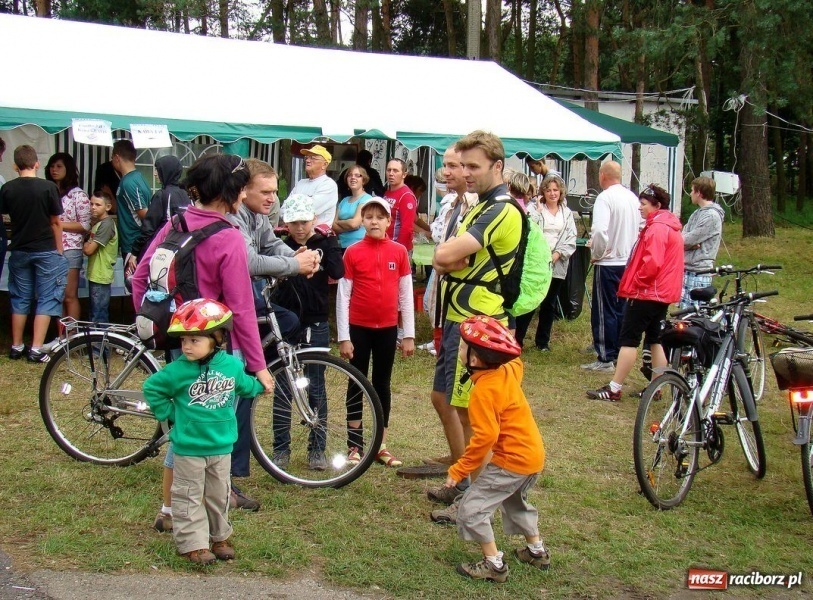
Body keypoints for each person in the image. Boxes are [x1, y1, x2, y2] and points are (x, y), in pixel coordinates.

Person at [132, 154, 273, 532]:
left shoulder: (176, 222)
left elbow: (140, 278)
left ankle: (171, 508)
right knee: (200, 426)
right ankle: (181, 510)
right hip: (211, 345)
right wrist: (258, 366)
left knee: (187, 422)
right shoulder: (227, 237)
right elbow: (241, 309)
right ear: (236, 192)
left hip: (180, 341)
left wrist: (160, 321)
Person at [429, 131, 522, 517]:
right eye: (462, 165)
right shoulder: (477, 205)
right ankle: (462, 480)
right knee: (443, 399)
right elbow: (443, 258)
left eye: (474, 166)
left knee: (472, 415)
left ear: (497, 166)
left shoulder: (501, 208)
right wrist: (449, 259)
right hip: (458, 320)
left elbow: (445, 253)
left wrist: (449, 258)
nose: (466, 173)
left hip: (478, 323)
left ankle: (474, 501)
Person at [143, 299, 265, 565]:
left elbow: (244, 385)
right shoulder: (177, 371)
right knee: (188, 495)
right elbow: (152, 388)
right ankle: (193, 543)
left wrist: (261, 385)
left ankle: (219, 536)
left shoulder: (231, 365)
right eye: (184, 340)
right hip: (189, 448)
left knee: (218, 495)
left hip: (221, 447)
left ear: (217, 339)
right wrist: (170, 414)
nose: (186, 346)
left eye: (195, 340)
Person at [228, 161, 320, 487]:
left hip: (245, 299)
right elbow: (249, 261)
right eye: (265, 191)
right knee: (235, 385)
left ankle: (234, 466)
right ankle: (229, 468)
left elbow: (270, 244)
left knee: (288, 321)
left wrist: (302, 255)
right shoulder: (233, 216)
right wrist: (293, 265)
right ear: (244, 190)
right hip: (226, 307)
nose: (271, 198)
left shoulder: (257, 215)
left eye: (274, 191)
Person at [445, 315, 549, 583]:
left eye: (462, 347)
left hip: (511, 461)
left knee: (472, 508)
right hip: (533, 457)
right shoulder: (507, 370)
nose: (459, 350)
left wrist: (460, 469)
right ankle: (536, 551)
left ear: (475, 360)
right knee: (515, 502)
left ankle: (494, 564)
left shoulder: (483, 392)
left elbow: (484, 439)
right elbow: (516, 360)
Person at [337, 197, 415, 467]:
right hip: (359, 328)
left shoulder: (399, 252)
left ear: (388, 221)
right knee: (356, 382)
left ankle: (380, 444)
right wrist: (344, 336)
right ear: (363, 221)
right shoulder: (353, 252)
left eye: (380, 217)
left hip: (387, 330)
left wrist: (408, 334)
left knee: (382, 383)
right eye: (368, 216)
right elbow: (343, 296)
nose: (374, 221)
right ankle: (354, 444)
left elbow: (406, 295)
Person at [587, 184, 683, 401]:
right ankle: (656, 388)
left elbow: (652, 263)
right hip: (660, 294)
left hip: (647, 294)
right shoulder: (668, 226)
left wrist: (637, 283)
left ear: (657, 205)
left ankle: (614, 388)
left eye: (643, 204)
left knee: (629, 340)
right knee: (655, 339)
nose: (639, 208)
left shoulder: (657, 228)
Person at [274, 194, 344, 470]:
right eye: (293, 223)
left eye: (304, 222)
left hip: (315, 321)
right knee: (283, 386)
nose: (300, 228)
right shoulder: (281, 245)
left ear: (313, 220)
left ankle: (317, 447)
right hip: (286, 320)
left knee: (316, 383)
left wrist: (327, 247)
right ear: (286, 224)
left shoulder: (325, 241)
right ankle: (281, 448)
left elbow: (339, 271)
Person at [423, 146, 478, 476]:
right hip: (448, 306)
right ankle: (458, 458)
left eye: (455, 166)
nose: (448, 172)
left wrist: (441, 260)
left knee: (460, 402)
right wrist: (441, 260)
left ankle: (465, 474)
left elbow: (454, 258)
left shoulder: (475, 207)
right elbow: (440, 254)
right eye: (445, 165)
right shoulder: (450, 203)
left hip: (467, 310)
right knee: (440, 396)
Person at [0, 145, 68, 363]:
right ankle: (36, 349)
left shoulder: (8, 188)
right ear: (37, 163)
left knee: (20, 297)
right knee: (47, 297)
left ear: (15, 165)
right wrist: (60, 250)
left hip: (19, 248)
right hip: (46, 249)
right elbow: (56, 222)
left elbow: (6, 216)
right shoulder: (48, 188)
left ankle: (17, 345)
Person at [582, 160, 640, 372]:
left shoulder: (605, 198)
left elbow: (599, 231)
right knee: (622, 308)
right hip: (628, 261)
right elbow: (642, 226)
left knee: (604, 308)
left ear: (603, 176)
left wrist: (596, 253)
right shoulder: (632, 197)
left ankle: (605, 355)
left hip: (608, 261)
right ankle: (618, 348)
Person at [515, 174, 577, 350]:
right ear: (543, 191)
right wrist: (539, 212)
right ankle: (517, 339)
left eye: (555, 190)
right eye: (548, 190)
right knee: (531, 301)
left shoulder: (567, 213)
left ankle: (542, 342)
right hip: (537, 262)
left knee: (549, 304)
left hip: (556, 263)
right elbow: (528, 230)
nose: (552, 193)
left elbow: (571, 236)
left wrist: (557, 254)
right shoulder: (534, 209)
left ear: (561, 192)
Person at [45, 152, 91, 323]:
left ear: (68, 169)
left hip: (70, 248)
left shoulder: (78, 195)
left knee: (69, 295)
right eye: (52, 166)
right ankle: (60, 337)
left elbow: (85, 225)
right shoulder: (47, 190)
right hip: (49, 247)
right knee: (56, 294)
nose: (54, 170)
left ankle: (71, 337)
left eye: (59, 166)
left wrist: (58, 225)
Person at [130, 155, 190, 263]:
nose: (154, 174)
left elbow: (148, 228)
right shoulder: (186, 195)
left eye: (157, 170)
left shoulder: (162, 195)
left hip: (162, 250)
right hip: (183, 249)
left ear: (166, 171)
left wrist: (135, 252)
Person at [681, 176, 724, 308]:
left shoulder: (711, 216)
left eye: (692, 190)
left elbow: (688, 239)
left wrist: (689, 243)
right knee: (684, 314)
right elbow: (682, 237)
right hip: (688, 268)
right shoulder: (696, 214)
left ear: (699, 193)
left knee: (696, 313)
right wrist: (689, 244)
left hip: (700, 271)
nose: (690, 194)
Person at [111, 140, 150, 268]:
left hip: (133, 242)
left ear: (117, 157)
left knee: (132, 285)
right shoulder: (139, 178)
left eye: (112, 158)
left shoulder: (129, 182)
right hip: (133, 241)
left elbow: (144, 214)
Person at [82, 190, 118, 323]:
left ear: (108, 207)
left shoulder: (106, 224)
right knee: (95, 312)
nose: (93, 207)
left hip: (101, 275)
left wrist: (86, 244)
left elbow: (89, 250)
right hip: (96, 274)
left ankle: (101, 344)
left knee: (98, 315)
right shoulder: (98, 224)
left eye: (98, 204)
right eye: (91, 204)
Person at [290, 145, 339, 227]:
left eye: (313, 158)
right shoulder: (301, 183)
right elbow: (284, 209)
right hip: (297, 235)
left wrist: (291, 209)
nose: (308, 160)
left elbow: (308, 210)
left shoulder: (328, 184)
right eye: (307, 157)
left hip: (318, 237)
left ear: (324, 165)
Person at [332, 165, 372, 250]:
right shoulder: (344, 201)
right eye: (350, 175)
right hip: (342, 246)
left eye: (357, 175)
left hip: (359, 246)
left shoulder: (367, 198)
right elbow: (333, 226)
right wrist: (350, 225)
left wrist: (339, 222)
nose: (353, 178)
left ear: (363, 180)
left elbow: (354, 223)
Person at [383, 158, 418, 253]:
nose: (391, 173)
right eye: (388, 170)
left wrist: (397, 250)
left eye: (395, 170)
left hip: (398, 248)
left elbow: (407, 228)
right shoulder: (387, 192)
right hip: (385, 245)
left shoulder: (406, 196)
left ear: (404, 175)